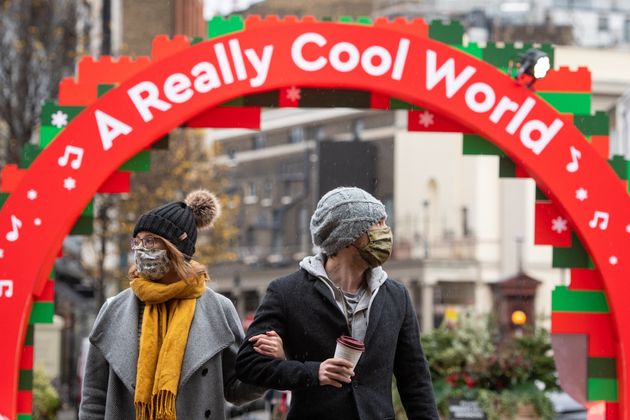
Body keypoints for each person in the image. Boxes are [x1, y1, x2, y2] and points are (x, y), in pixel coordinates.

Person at [235, 187, 439, 420]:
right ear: (347, 237)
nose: (386, 232)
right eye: (377, 224)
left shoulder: (396, 295)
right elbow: (248, 365)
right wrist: (314, 372)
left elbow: (415, 381)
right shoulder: (286, 292)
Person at [79, 190, 284, 420]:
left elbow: (235, 388)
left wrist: (267, 366)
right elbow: (94, 397)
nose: (141, 249)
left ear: (176, 249)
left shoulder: (218, 310)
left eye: (150, 241)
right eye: (137, 241)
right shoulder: (114, 310)